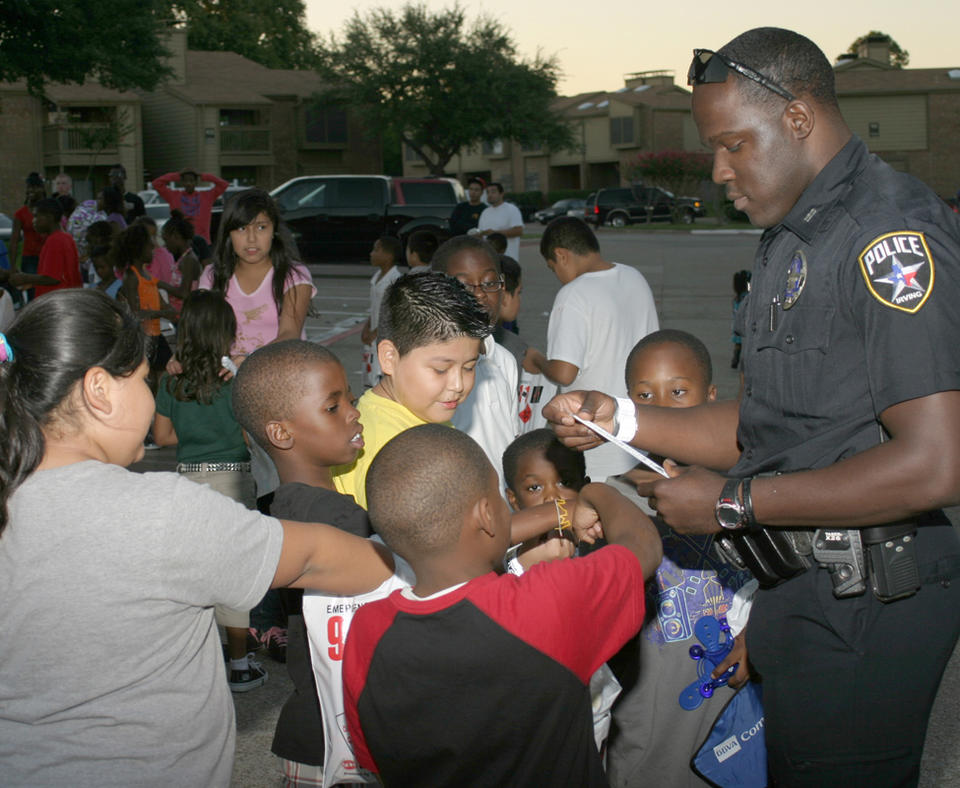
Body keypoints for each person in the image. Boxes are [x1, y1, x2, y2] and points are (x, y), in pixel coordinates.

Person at [545, 28, 960, 788]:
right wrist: (622, 419)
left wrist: (734, 506)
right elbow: (772, 423)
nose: (718, 169)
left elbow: (935, 463)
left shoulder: (888, 234)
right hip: (802, 585)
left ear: (798, 118)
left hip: (869, 601)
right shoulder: (793, 236)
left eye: (734, 143)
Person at [0, 288, 393, 787]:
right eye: (146, 380)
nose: (153, 393)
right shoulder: (160, 513)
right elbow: (317, 556)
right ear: (100, 391)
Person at [342, 424, 663, 787]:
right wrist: (596, 493)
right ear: (486, 514)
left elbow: (373, 757)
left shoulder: (367, 631)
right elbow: (644, 550)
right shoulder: (543, 602)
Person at [605, 329, 753, 788]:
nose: (662, 408)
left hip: (736, 715)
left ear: (713, 398)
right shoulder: (611, 502)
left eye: (679, 392)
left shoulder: (751, 494)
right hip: (648, 726)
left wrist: (760, 637)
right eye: (645, 395)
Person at [232, 340, 381, 786]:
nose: (354, 413)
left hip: (317, 723)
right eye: (333, 407)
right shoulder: (329, 517)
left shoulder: (298, 502)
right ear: (281, 433)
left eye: (351, 400)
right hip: (337, 735)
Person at [152, 289, 265, 692]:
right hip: (233, 480)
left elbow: (163, 436)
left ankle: (195, 661)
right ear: (226, 332)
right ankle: (239, 665)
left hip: (189, 481)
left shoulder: (173, 379)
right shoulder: (234, 380)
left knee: (195, 572)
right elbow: (252, 436)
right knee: (233, 575)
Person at [332, 271, 488, 510]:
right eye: (440, 369)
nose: (458, 385)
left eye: (469, 367)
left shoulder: (410, 418)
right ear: (389, 357)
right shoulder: (393, 454)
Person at [526, 216, 659, 480]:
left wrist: (537, 359)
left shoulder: (573, 294)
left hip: (595, 441)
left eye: (553, 268)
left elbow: (564, 373)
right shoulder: (634, 277)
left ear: (561, 255)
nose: (558, 278)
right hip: (639, 429)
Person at [431, 236, 519, 489]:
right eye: (464, 285)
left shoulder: (505, 360)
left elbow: (508, 440)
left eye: (490, 283)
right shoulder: (433, 369)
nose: (480, 294)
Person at [115, 224, 175, 387]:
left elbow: (165, 296)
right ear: (138, 249)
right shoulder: (132, 276)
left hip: (154, 333)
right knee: (152, 379)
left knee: (164, 376)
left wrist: (167, 310)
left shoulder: (146, 275)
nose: (153, 250)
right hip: (143, 337)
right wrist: (160, 312)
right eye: (150, 247)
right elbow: (136, 314)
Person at [360, 236, 403, 389]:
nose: (372, 253)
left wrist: (376, 332)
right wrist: (367, 327)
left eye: (376, 250)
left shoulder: (394, 280)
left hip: (385, 337)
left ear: (389, 256)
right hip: (373, 336)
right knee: (369, 376)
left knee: (380, 377)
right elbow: (375, 308)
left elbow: (393, 312)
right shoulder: (376, 277)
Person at [152, 168, 229, 243]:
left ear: (196, 182)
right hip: (181, 243)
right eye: (185, 181)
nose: (188, 183)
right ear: (182, 182)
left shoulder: (207, 197)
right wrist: (177, 176)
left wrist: (202, 176)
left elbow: (224, 184)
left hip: (202, 242)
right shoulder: (173, 196)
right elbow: (156, 183)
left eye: (191, 180)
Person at [31, 198, 81, 299]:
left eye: (36, 216)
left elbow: (52, 278)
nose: (33, 221)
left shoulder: (55, 240)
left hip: (56, 302)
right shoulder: (66, 237)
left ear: (50, 217)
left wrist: (25, 278)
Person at [9, 172, 47, 300]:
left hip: (47, 255)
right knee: (33, 294)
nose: (31, 190)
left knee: (48, 291)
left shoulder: (49, 209)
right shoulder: (20, 213)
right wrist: (13, 266)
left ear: (42, 188)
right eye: (29, 187)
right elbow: (14, 241)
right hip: (29, 258)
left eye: (35, 187)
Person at [158, 211, 202, 312]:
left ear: (176, 237)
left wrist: (160, 284)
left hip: (187, 314)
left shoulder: (188, 260)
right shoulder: (184, 258)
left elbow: (184, 293)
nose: (165, 246)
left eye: (166, 240)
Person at [476, 182, 523, 259]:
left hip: (508, 258)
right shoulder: (485, 212)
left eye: (493, 192)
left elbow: (518, 231)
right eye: (488, 192)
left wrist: (494, 233)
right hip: (489, 259)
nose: (490, 195)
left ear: (502, 194)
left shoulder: (512, 209)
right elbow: (481, 234)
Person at [730, 269, 750, 368]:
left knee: (738, 345)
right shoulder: (746, 297)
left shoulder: (736, 298)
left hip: (735, 325)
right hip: (745, 325)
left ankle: (735, 359)